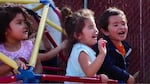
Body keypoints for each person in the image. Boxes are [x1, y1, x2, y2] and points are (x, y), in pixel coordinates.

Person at [0, 3, 67, 77]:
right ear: (5, 29)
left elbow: (39, 64)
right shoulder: (1, 51)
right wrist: (10, 65)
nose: (25, 25)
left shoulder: (28, 46)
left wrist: (33, 76)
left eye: (24, 21)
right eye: (19, 23)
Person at [63, 8, 109, 83]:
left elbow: (85, 75)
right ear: (78, 35)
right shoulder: (81, 51)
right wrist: (102, 54)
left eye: (95, 26)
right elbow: (89, 72)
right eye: (91, 27)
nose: (96, 30)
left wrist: (98, 78)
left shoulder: (80, 49)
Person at [92, 7, 135, 84]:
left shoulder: (126, 47)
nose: (121, 27)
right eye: (116, 25)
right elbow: (109, 67)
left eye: (123, 23)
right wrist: (127, 77)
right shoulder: (103, 46)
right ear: (105, 31)